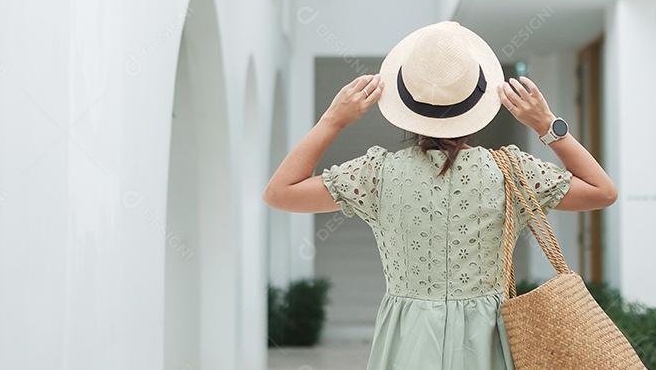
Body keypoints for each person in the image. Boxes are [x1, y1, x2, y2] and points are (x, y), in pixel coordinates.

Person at [264, 21, 617, 369]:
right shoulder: (513, 172)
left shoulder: (375, 175)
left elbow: (280, 193)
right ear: (477, 104)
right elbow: (602, 191)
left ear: (405, 105)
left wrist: (333, 120)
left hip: (408, 338)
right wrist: (547, 126)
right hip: (487, 339)